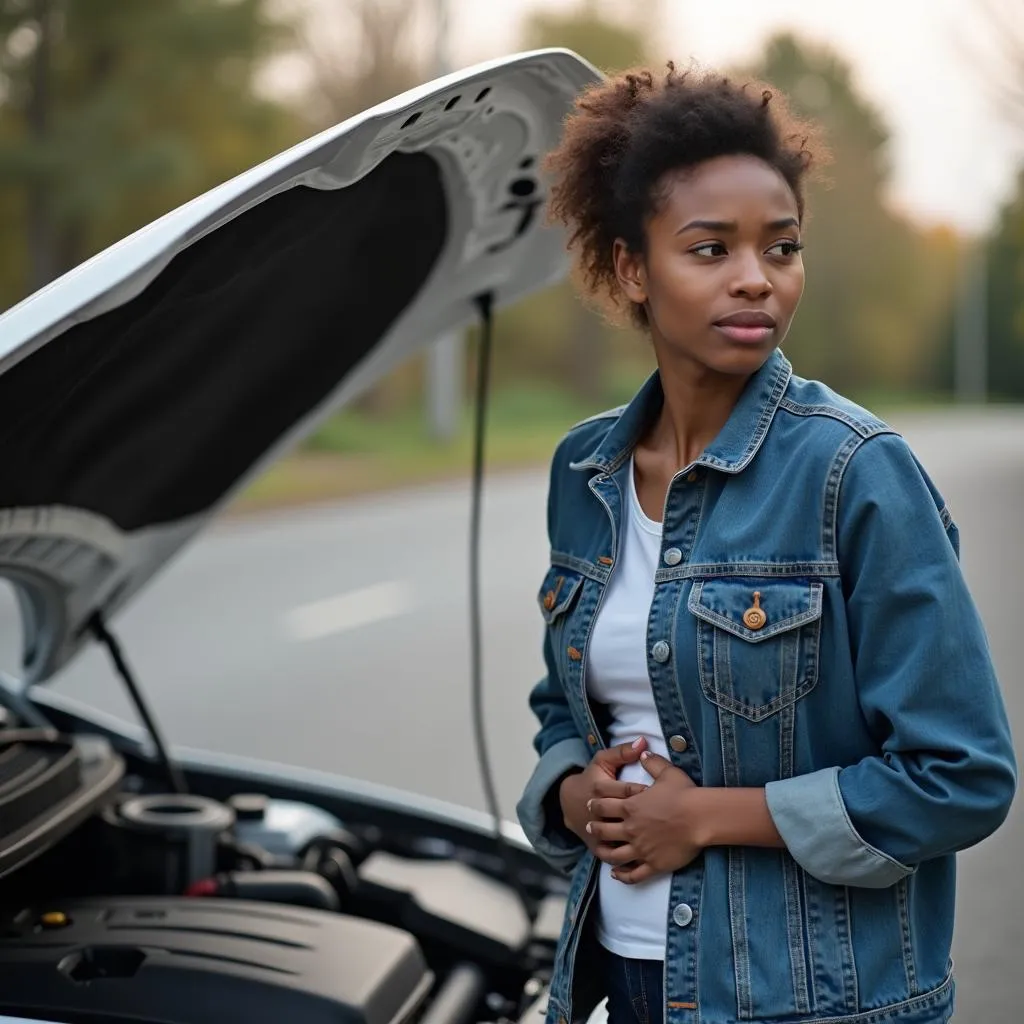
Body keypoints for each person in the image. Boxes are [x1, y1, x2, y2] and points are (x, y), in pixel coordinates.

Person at [515, 63, 1017, 1024]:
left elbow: (961, 777)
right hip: (621, 977)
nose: (756, 277)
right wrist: (576, 793)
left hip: (809, 1000)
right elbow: (564, 704)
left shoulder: (855, 473)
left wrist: (701, 817)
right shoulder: (585, 473)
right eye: (710, 249)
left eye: (780, 247)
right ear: (630, 267)